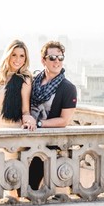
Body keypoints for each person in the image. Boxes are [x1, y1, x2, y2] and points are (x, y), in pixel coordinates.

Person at [29, 40, 78, 189]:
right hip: (25, 138)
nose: (57, 61)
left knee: (32, 184)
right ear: (43, 60)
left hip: (46, 144)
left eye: (60, 57)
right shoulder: (32, 81)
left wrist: (38, 124)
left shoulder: (68, 88)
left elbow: (64, 120)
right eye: (52, 57)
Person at [0, 39, 37, 130]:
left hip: (11, 129)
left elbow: (25, 111)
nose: (18, 60)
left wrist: (29, 121)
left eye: (22, 56)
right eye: (14, 55)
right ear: (8, 56)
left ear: (25, 59)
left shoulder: (25, 79)